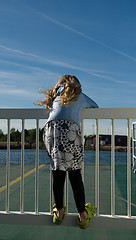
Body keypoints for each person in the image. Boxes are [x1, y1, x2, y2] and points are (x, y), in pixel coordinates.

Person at [39, 75, 98, 229]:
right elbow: (96, 106)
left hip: (50, 131)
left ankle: (59, 212)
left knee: (57, 172)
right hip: (69, 130)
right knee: (74, 174)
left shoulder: (55, 96)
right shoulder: (80, 95)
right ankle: (83, 215)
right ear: (76, 85)